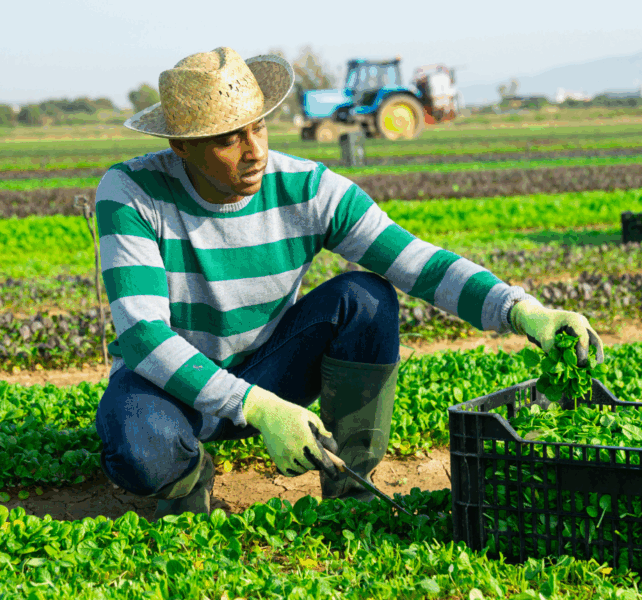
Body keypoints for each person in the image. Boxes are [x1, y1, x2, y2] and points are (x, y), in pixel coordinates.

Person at [92, 47, 604, 520]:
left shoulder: (309, 189)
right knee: (140, 449)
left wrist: (522, 310)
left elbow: (419, 264)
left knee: (366, 298)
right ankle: (188, 479)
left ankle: (351, 481)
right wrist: (258, 408)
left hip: (269, 369)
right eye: (229, 139)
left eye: (260, 128)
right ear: (181, 145)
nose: (254, 152)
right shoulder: (133, 192)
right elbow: (143, 335)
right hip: (170, 387)